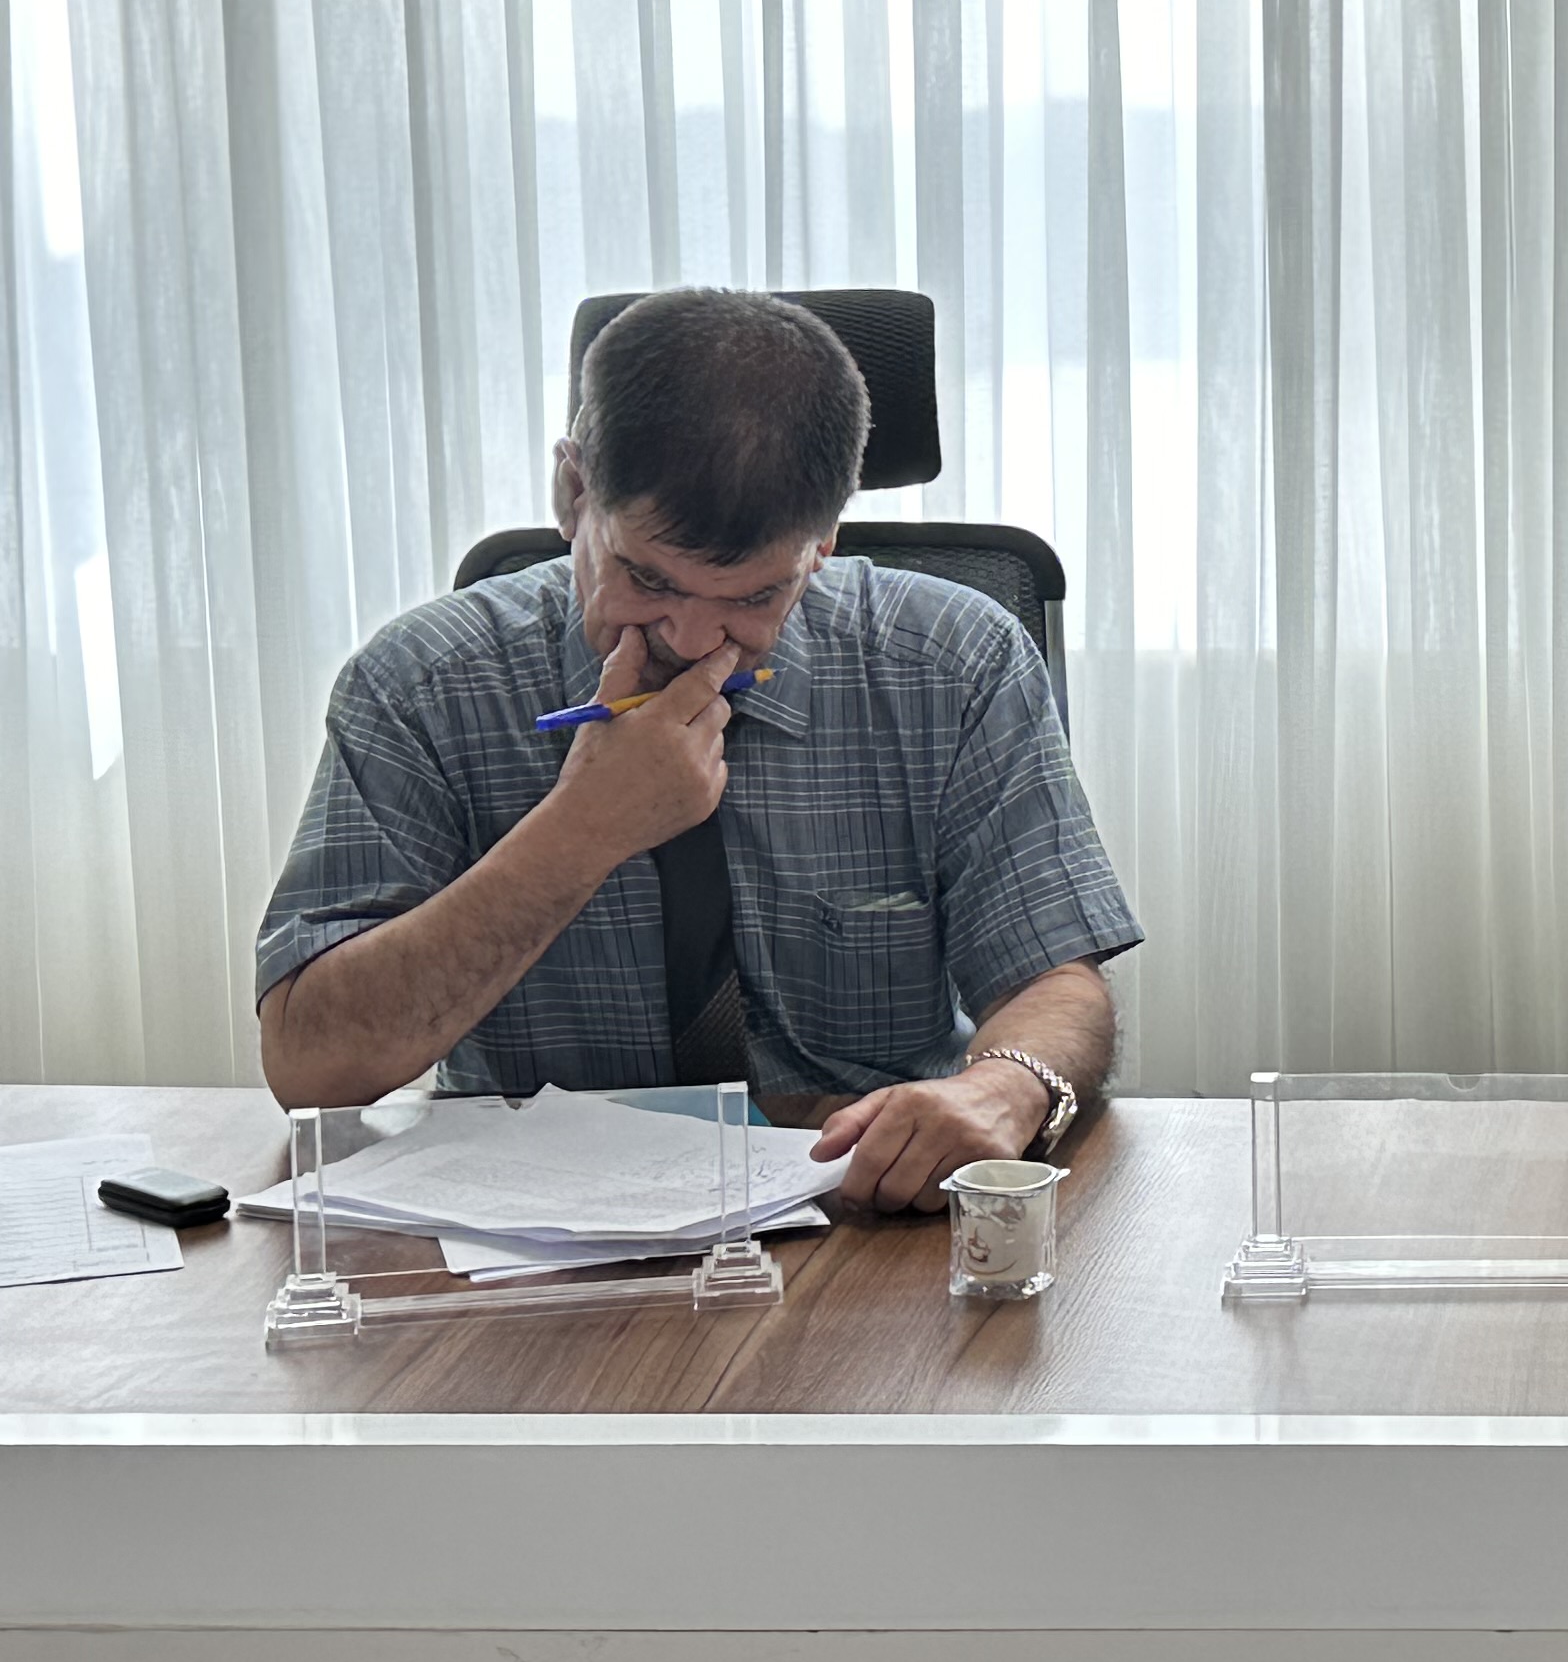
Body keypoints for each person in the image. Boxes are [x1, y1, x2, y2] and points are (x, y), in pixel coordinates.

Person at [256, 289, 1140, 1210]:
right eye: (646, 579)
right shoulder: (420, 683)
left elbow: (1058, 982)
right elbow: (314, 1067)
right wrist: (582, 829)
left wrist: (1004, 1086)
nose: (690, 637)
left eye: (753, 598)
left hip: (865, 1205)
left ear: (822, 543)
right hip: (539, 1231)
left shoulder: (954, 662)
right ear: (573, 494)